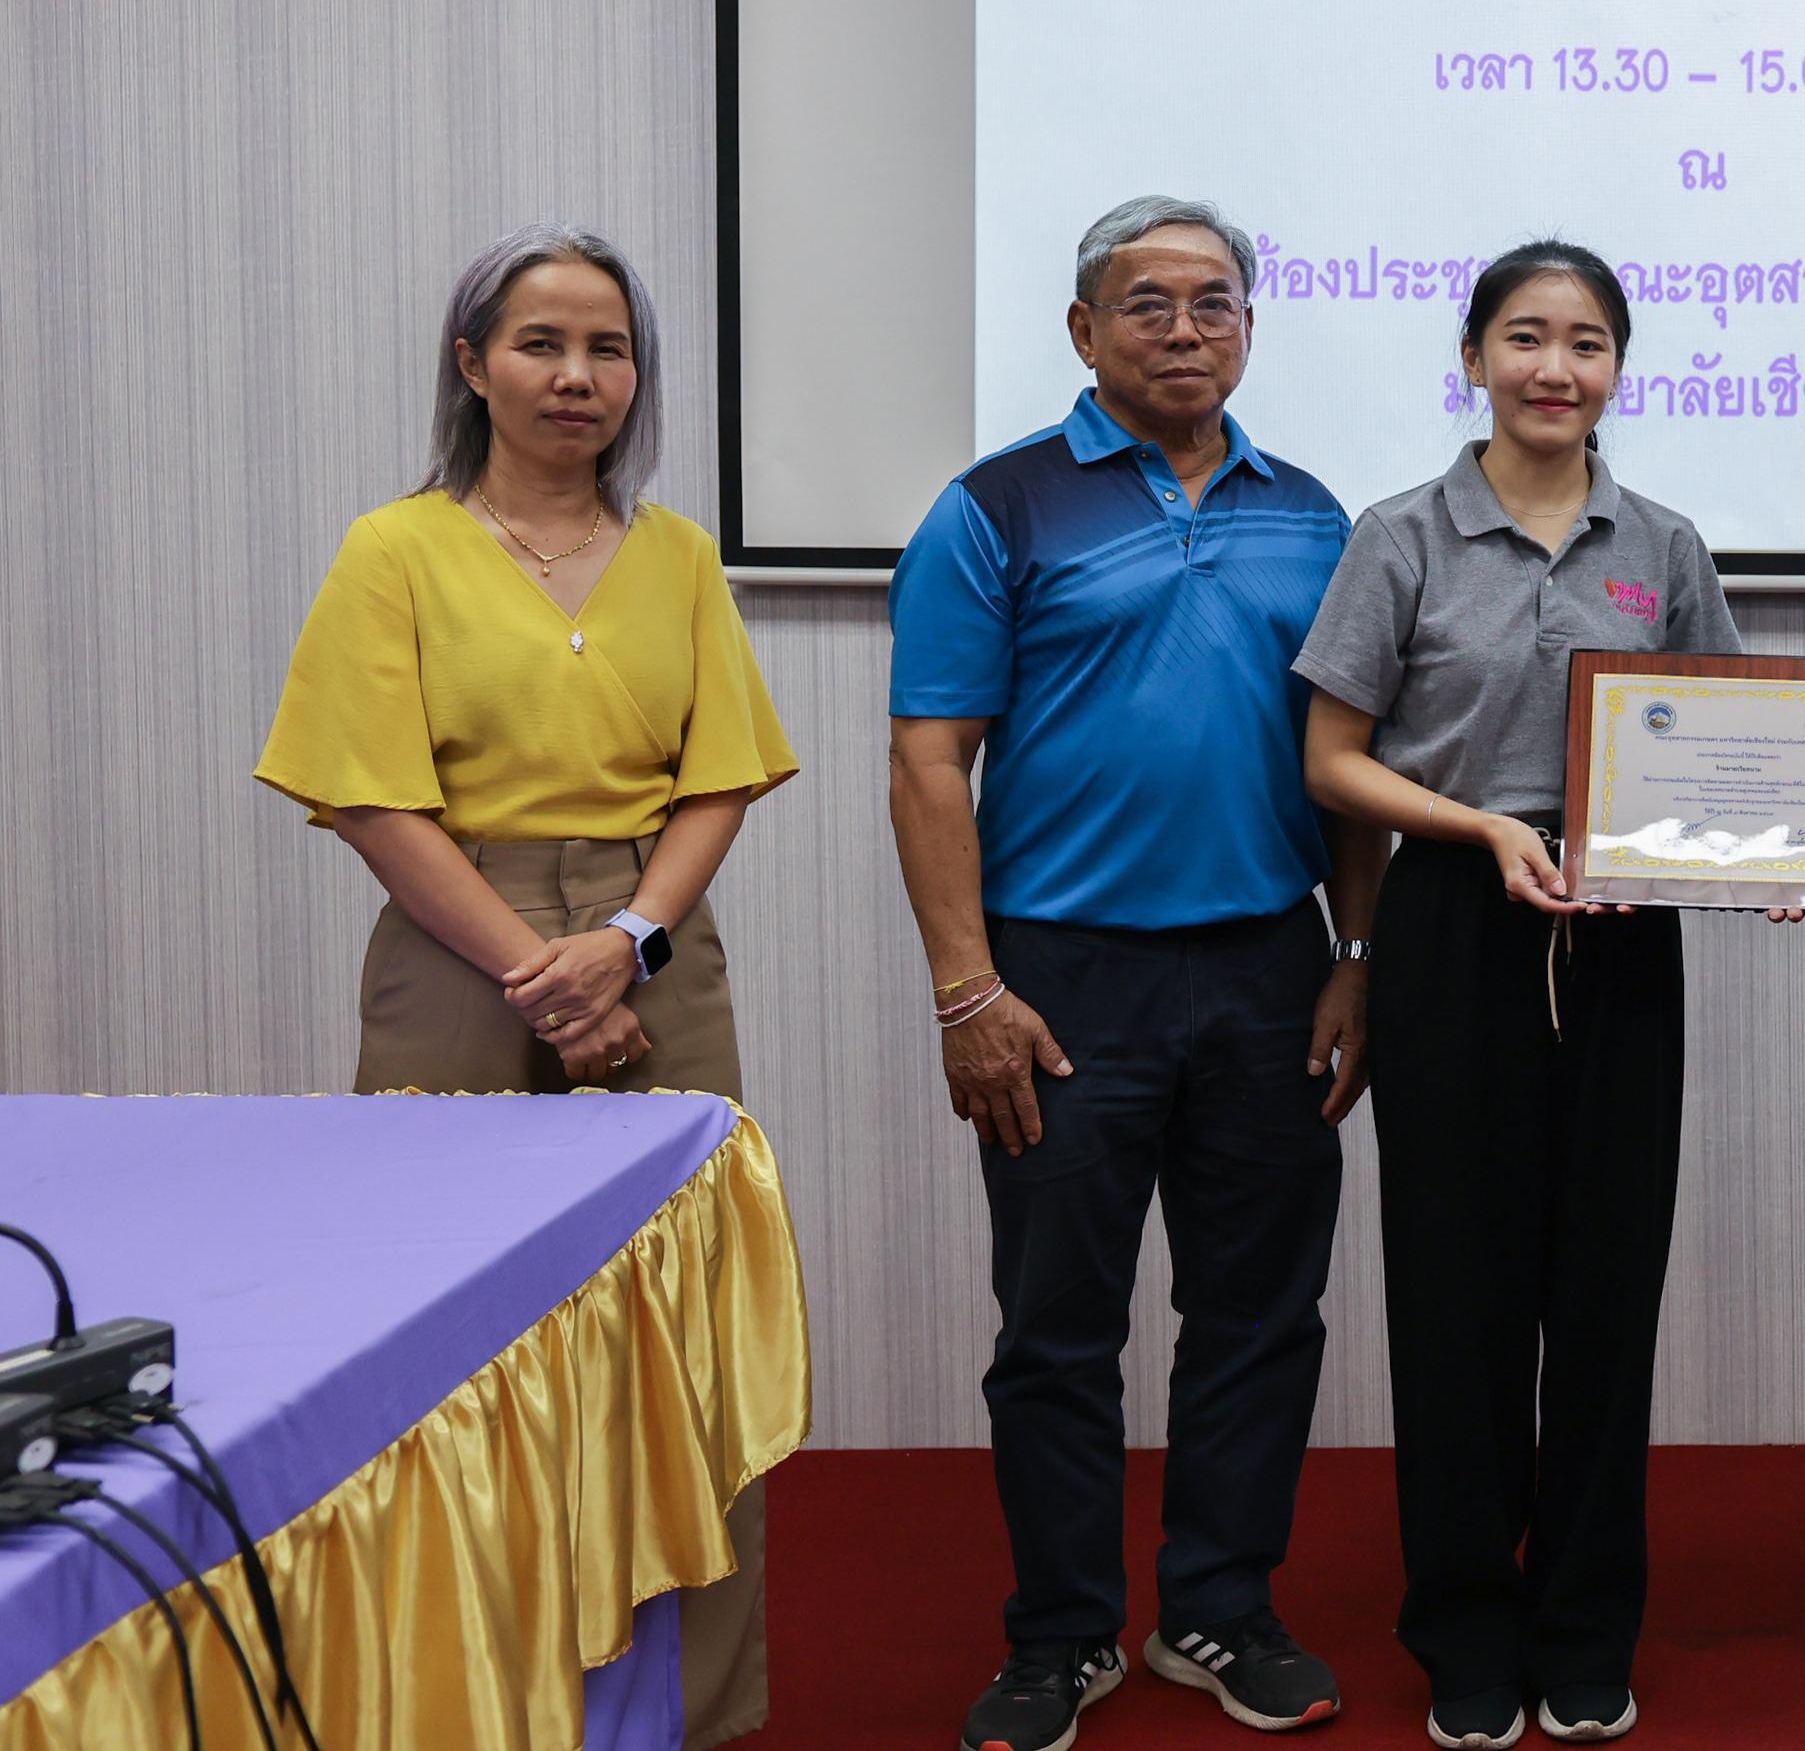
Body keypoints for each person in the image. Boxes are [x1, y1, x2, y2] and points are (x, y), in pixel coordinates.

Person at [256, 224, 798, 1750]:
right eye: (540, 343)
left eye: (607, 348)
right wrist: (537, 972)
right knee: (445, 1333)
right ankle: (456, 1698)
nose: (576, 375)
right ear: (472, 364)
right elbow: (369, 796)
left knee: (675, 1344)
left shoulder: (678, 554)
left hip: (651, 942)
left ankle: (691, 1707)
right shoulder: (395, 549)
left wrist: (625, 944)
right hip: (453, 940)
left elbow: (719, 777)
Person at [888, 195, 1377, 1751]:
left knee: (1262, 1312)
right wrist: (969, 990)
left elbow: (1353, 766)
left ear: (1249, 326)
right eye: (1147, 302)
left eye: (1213, 301)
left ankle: (1219, 1608)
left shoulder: (1317, 517)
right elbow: (928, 761)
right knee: (1056, 1326)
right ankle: (1061, 1634)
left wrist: (1354, 956)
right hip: (1059, 984)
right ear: (1084, 329)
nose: (1184, 328)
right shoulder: (996, 507)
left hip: (1268, 968)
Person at [1296, 241, 1743, 1751]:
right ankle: (1467, 1626)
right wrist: (1482, 829)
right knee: (1456, 1296)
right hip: (1452, 922)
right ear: (1474, 354)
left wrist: (1787, 853)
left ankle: (1587, 1626)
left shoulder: (1662, 543)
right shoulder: (1401, 536)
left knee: (1608, 1292)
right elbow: (1333, 761)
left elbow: (1727, 743)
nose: (1558, 367)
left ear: (1619, 366)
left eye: (1588, 341)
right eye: (1528, 336)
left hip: (1618, 937)